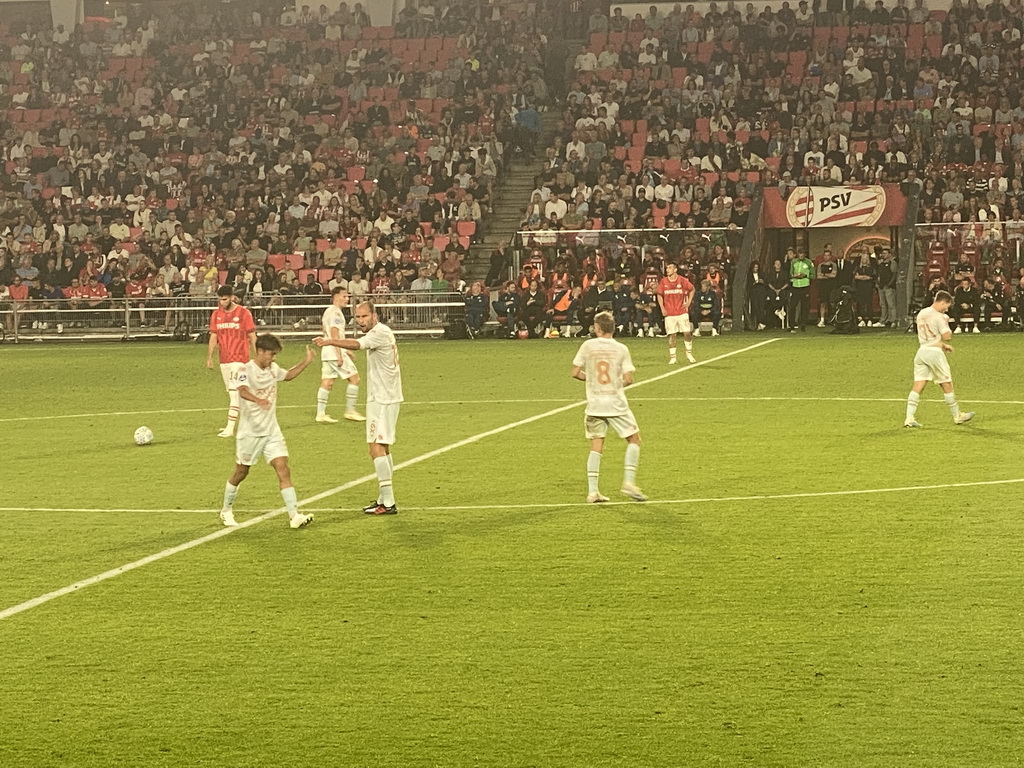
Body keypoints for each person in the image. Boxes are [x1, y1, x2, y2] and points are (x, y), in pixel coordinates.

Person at [220, 333, 316, 529]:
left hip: (272, 431)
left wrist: (306, 362)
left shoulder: (272, 369)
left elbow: (287, 376)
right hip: (250, 433)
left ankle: (294, 515)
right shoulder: (244, 369)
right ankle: (226, 510)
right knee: (241, 472)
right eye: (271, 354)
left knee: (283, 469)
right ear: (260, 351)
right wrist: (258, 400)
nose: (274, 358)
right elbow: (243, 391)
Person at [315, 301, 403, 515]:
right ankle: (384, 497)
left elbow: (357, 344)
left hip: (384, 399)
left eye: (364, 316)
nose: (361, 321)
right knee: (383, 446)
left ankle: (389, 503)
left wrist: (329, 341)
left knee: (376, 448)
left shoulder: (380, 333)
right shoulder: (381, 332)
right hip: (382, 397)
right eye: (358, 317)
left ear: (375, 314)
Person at [571, 311, 647, 503]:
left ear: (597, 329)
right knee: (634, 439)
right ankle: (629, 483)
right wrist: (612, 385)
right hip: (615, 404)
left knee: (596, 444)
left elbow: (575, 372)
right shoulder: (621, 349)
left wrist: (593, 382)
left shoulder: (587, 345)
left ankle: (593, 492)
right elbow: (628, 379)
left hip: (595, 404)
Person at [904, 290, 975, 428]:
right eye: (946, 306)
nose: (947, 309)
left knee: (918, 385)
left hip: (922, 351)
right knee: (947, 383)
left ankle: (909, 418)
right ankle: (957, 416)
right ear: (942, 302)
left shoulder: (922, 313)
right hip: (934, 354)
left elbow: (930, 336)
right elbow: (947, 336)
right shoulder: (939, 317)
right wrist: (947, 325)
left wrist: (943, 345)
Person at [207, 285, 257, 438]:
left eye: (225, 299)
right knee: (235, 394)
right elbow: (214, 337)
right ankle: (254, 421)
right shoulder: (216, 315)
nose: (222, 302)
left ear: (232, 297)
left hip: (240, 359)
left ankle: (230, 428)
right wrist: (209, 357)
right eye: (220, 299)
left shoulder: (243, 313)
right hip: (224, 360)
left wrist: (259, 355)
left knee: (235, 393)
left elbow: (252, 336)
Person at [315, 286, 366, 424]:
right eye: (344, 296)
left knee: (327, 382)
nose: (347, 299)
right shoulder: (336, 313)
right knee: (355, 379)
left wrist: (346, 350)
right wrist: (340, 354)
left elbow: (325, 330)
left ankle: (320, 414)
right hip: (333, 351)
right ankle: (350, 411)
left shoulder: (328, 311)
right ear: (336, 297)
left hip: (326, 352)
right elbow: (334, 332)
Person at [657, 261, 695, 364]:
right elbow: (659, 295)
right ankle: (673, 357)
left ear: (675, 269)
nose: (667, 270)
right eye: (666, 268)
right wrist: (662, 308)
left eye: (669, 268)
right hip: (669, 313)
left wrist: (688, 302)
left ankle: (689, 354)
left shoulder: (682, 280)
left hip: (682, 311)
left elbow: (692, 289)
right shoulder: (663, 281)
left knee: (686, 333)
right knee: (672, 335)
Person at [788, 249, 814, 332]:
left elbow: (813, 275)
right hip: (795, 286)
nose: (801, 256)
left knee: (804, 307)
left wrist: (805, 275)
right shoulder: (793, 262)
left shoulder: (809, 262)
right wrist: (794, 275)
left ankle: (803, 324)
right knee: (792, 306)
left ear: (804, 254)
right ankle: (792, 324)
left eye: (802, 254)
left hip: (805, 286)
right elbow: (790, 274)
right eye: (799, 255)